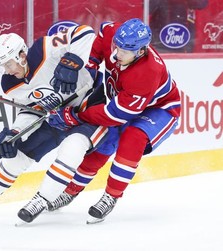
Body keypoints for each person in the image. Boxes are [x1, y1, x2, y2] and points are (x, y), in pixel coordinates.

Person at [0, 25, 109, 221]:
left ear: (22, 55)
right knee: (18, 155)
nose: (7, 70)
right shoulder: (10, 84)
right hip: (57, 116)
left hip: (90, 108)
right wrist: (14, 132)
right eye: (2, 66)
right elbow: (31, 109)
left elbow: (84, 33)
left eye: (8, 64)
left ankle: (42, 199)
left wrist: (72, 62)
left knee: (71, 150)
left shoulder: (44, 49)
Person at [48, 18, 181, 223]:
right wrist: (91, 63)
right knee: (105, 142)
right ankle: (70, 191)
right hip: (127, 104)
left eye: (124, 52)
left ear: (141, 51)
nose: (117, 54)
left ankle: (111, 196)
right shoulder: (115, 35)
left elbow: (114, 114)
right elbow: (103, 33)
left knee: (132, 138)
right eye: (116, 47)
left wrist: (76, 115)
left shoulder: (148, 72)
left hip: (160, 109)